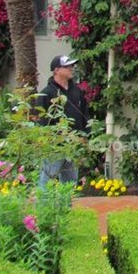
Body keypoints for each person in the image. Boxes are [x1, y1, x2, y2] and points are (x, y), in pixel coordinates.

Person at [35, 54, 90, 186]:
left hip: (73, 146)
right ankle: (43, 206)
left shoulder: (77, 92)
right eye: (67, 66)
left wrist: (86, 135)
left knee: (70, 183)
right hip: (55, 147)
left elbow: (85, 115)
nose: (71, 68)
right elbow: (42, 121)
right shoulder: (46, 93)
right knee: (47, 181)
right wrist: (50, 141)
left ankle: (65, 207)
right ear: (56, 70)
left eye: (72, 66)